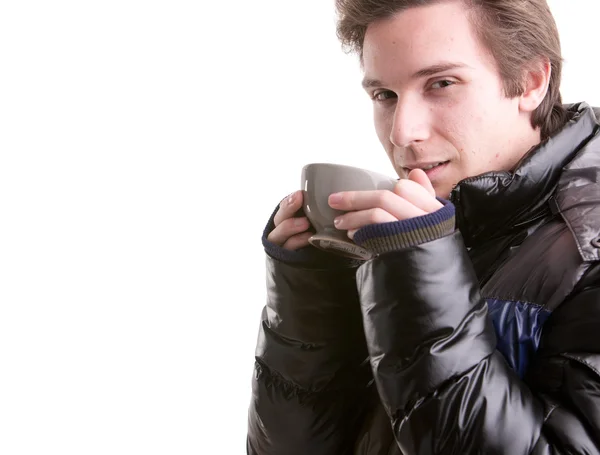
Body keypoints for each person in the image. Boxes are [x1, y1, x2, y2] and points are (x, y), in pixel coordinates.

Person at [247, 0, 600, 453]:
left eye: (441, 83)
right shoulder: (420, 226)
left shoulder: (588, 244)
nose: (401, 132)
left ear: (531, 81)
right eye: (384, 96)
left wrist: (420, 271)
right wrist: (312, 309)